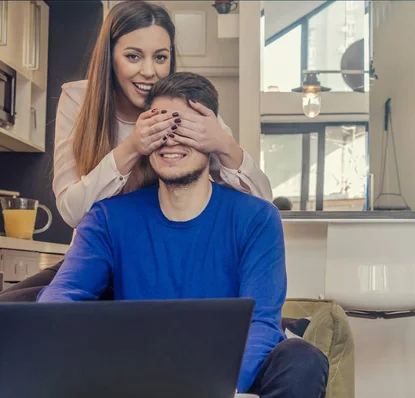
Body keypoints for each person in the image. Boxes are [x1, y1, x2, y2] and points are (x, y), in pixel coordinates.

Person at [38, 72, 329, 398]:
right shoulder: (108, 218)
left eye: (186, 129)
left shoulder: (257, 218)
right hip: (142, 367)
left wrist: (220, 389)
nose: (172, 140)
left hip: (227, 369)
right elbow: (59, 300)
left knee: (303, 361)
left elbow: (260, 321)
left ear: (212, 136)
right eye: (161, 128)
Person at [53, 1, 272, 230]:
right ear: (110, 56)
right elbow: (72, 212)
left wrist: (225, 145)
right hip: (99, 251)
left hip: (163, 250)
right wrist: (133, 147)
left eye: (160, 58)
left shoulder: (188, 108)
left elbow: (262, 202)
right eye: (133, 57)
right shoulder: (78, 99)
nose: (149, 72)